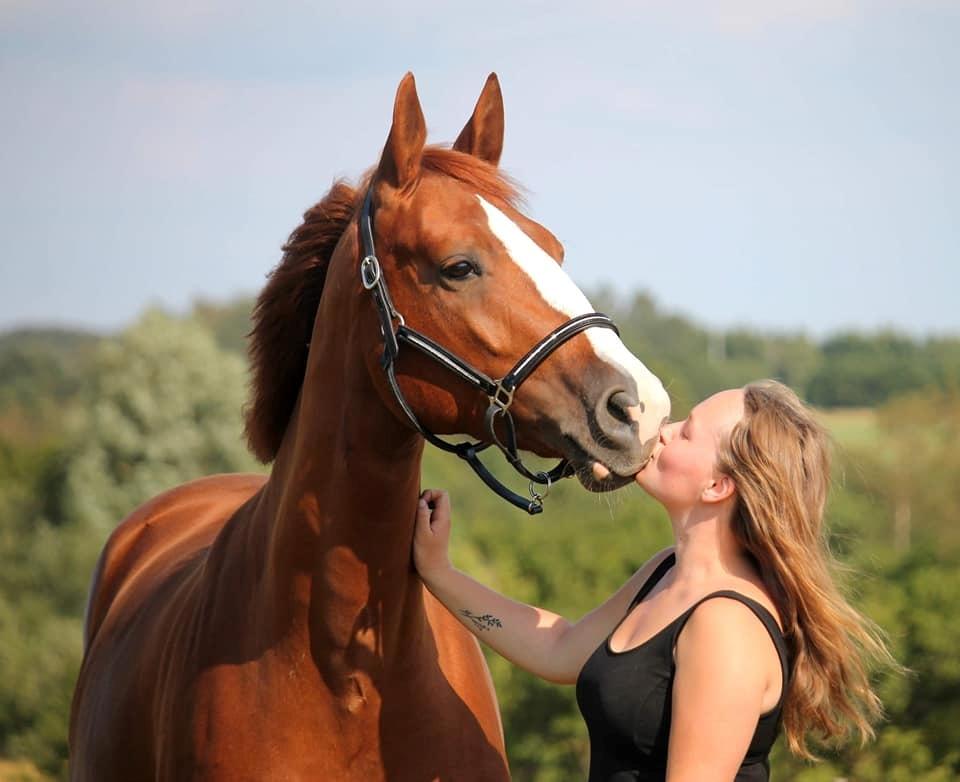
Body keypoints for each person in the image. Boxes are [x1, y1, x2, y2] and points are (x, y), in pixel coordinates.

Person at [413, 380, 894, 781]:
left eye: (687, 433)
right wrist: (439, 572)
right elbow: (559, 648)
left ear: (717, 486)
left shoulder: (725, 626)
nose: (663, 432)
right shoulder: (667, 571)